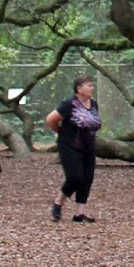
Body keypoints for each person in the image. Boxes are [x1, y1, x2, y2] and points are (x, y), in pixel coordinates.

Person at [46, 75, 102, 223]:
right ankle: (58, 202)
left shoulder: (94, 104)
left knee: (87, 178)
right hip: (69, 146)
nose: (92, 88)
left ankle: (79, 214)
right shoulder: (69, 104)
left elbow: (94, 123)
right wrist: (61, 132)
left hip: (88, 145)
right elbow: (50, 119)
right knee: (75, 177)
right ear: (79, 89)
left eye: (92, 85)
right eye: (88, 85)